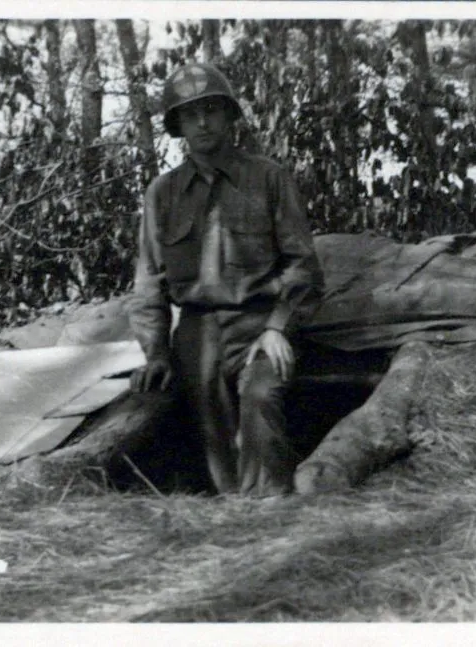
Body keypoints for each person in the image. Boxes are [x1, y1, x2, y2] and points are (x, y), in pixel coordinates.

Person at [127, 62, 324, 497]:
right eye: (190, 113)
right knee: (205, 420)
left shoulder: (269, 179)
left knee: (260, 396)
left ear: (230, 116)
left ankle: (270, 509)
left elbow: (303, 267)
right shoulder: (163, 193)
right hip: (197, 331)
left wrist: (278, 327)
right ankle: (234, 515)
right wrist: (156, 353)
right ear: (176, 125)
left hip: (261, 322)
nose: (202, 122)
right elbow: (149, 284)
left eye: (212, 109)